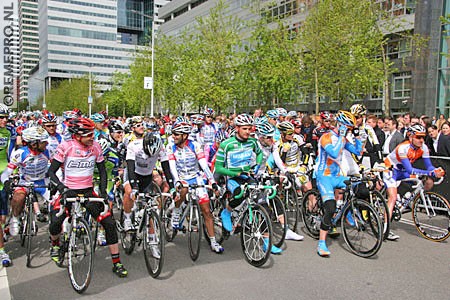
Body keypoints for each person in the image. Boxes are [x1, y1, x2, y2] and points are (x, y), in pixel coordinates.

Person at [47, 117, 128, 277]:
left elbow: (103, 171)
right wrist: (61, 187)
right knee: (56, 221)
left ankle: (116, 262)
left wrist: (103, 191)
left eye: (93, 133)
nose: (92, 137)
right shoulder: (66, 146)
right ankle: (55, 244)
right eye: (88, 134)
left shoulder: (96, 147)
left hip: (88, 191)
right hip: (68, 190)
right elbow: (51, 172)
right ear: (77, 135)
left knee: (109, 223)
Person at [214, 114, 281, 253]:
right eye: (244, 128)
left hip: (247, 175)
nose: (248, 131)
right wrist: (234, 173)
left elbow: (259, 154)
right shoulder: (226, 145)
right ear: (237, 128)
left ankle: (267, 242)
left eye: (250, 128)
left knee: (264, 205)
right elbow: (218, 167)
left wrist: (257, 164)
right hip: (231, 177)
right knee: (240, 193)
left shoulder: (252, 142)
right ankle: (227, 212)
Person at [166, 121, 224, 254]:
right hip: (180, 177)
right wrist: (176, 181)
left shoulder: (195, 145)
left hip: (195, 177)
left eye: (176, 134)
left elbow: (204, 165)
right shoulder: (171, 147)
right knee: (183, 190)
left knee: (206, 210)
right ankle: (176, 210)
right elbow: (172, 167)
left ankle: (213, 241)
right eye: (173, 134)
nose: (173, 136)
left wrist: (211, 181)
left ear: (185, 136)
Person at [383, 124, 445, 240]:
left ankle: (407, 198)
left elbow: (429, 166)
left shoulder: (424, 148)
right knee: (392, 197)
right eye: (418, 137)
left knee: (428, 182)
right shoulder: (403, 148)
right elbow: (410, 169)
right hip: (390, 170)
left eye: (423, 137)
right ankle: (385, 229)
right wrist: (430, 173)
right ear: (410, 137)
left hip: (402, 172)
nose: (422, 140)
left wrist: (435, 170)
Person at [315, 111, 363, 257]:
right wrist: (342, 137)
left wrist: (359, 138)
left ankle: (347, 212)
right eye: (348, 128)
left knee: (359, 185)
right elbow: (334, 154)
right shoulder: (326, 137)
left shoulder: (343, 139)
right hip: (324, 176)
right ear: (341, 125)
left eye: (350, 129)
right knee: (330, 207)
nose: (349, 131)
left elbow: (358, 152)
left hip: (337, 175)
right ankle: (321, 243)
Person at [1, 127, 51, 233]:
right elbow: (6, 172)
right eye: (43, 142)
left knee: (58, 202)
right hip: (25, 181)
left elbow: (57, 169)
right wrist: (6, 182)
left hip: (43, 181)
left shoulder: (48, 151)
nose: (47, 143)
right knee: (18, 197)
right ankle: (15, 218)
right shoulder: (20, 153)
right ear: (34, 144)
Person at [0, 104, 16, 266]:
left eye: (5, 117)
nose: (4, 120)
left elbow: (10, 152)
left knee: (3, 210)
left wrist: (13, 170)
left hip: (3, 171)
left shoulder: (9, 131)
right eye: (1, 118)